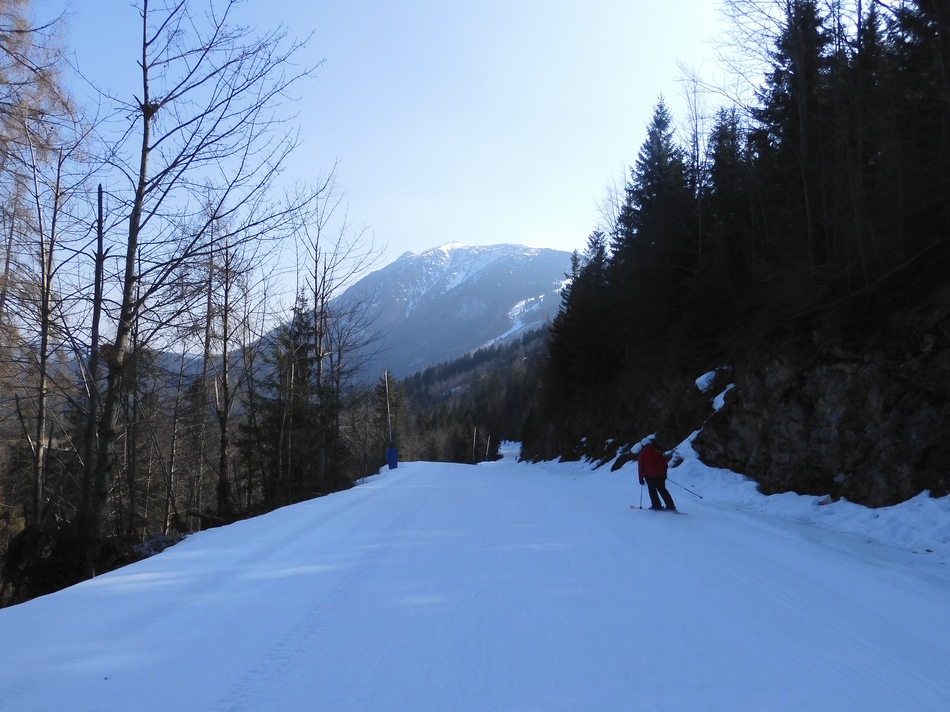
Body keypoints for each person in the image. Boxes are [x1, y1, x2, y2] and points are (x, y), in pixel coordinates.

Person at [637, 438, 676, 511]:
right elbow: (665, 464)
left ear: (643, 445)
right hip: (660, 475)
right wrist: (664, 473)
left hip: (650, 476)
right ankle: (670, 506)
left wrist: (641, 478)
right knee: (662, 490)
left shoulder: (642, 455)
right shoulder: (657, 452)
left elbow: (641, 468)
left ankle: (656, 505)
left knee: (652, 490)